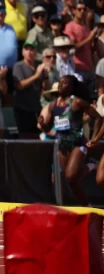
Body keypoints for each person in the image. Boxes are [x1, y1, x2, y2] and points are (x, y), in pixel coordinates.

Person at [40, 75, 101, 206]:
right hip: (62, 144)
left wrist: (95, 138)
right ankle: (87, 206)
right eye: (60, 82)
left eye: (65, 83)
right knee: (71, 181)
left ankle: (90, 165)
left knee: (70, 176)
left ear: (72, 87)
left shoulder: (77, 102)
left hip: (77, 143)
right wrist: (42, 124)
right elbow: (47, 128)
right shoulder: (52, 106)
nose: (61, 85)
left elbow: (98, 118)